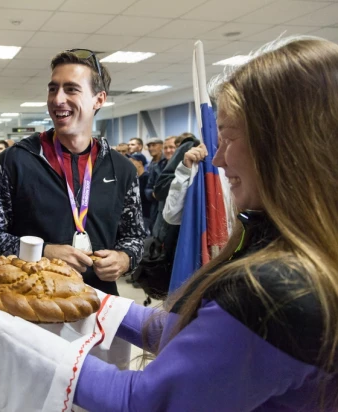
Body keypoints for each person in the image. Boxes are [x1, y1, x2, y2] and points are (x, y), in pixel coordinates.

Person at [69, 37, 338, 410]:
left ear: (285, 146)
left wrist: (4, 336)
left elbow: (144, 401)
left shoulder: (279, 291)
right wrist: (86, 297)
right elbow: (194, 333)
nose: (218, 158)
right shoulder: (290, 255)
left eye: (227, 136)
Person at [0, 49, 144, 295]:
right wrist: (42, 252)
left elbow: (135, 238)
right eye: (53, 89)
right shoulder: (16, 160)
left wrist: (124, 258)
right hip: (30, 306)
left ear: (99, 99)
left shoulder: (122, 169)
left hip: (98, 304)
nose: (57, 99)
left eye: (71, 89)